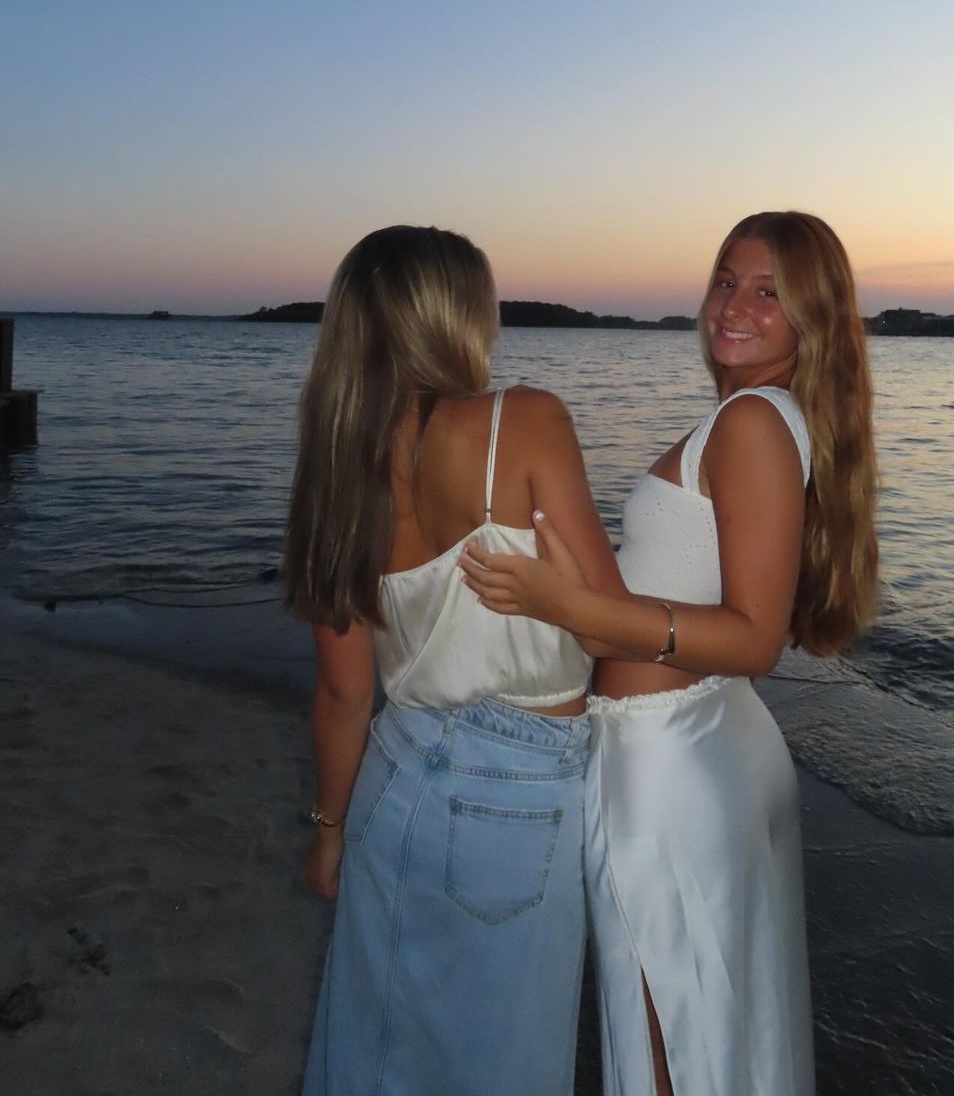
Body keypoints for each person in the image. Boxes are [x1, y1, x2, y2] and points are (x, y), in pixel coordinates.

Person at [463, 210, 878, 1096]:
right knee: (714, 1038)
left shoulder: (753, 424)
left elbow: (754, 637)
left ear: (814, 316)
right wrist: (586, 611)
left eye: (769, 293)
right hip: (704, 741)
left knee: (672, 1051)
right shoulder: (762, 418)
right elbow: (676, 602)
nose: (734, 306)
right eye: (726, 281)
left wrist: (576, 604)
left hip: (670, 763)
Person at [284, 225, 622, 1096]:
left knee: (374, 1054)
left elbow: (344, 694)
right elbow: (608, 630)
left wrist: (328, 834)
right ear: (452, 316)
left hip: (393, 781)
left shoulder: (336, 471)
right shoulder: (525, 421)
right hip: (518, 797)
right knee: (505, 1066)